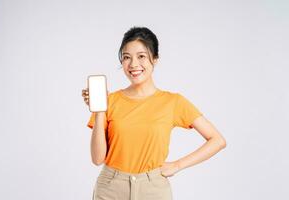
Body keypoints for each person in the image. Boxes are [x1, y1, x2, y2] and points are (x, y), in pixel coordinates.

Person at [82, 26, 227, 200]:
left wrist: (177, 165)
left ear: (155, 59)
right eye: (126, 57)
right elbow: (98, 159)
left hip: (153, 189)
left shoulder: (173, 102)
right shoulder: (110, 101)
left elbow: (217, 140)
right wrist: (99, 110)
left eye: (141, 56)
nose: (133, 64)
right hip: (111, 188)